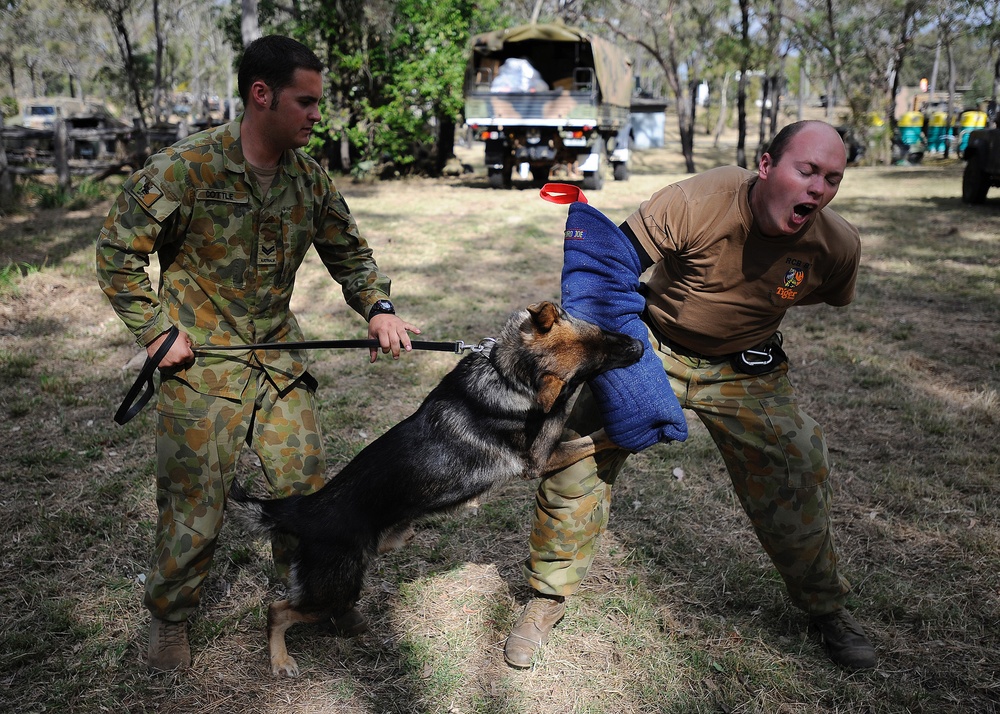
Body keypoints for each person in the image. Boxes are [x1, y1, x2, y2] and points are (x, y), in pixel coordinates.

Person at [96, 35, 420, 672]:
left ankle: (316, 597)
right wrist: (158, 332)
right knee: (195, 504)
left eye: (317, 102)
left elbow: (350, 255)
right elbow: (117, 252)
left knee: (309, 493)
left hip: (278, 365)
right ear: (261, 95)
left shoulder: (309, 179)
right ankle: (169, 619)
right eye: (306, 101)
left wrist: (378, 310)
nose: (316, 114)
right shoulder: (185, 168)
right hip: (199, 370)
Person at [504, 120, 877, 671]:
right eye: (806, 171)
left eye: (831, 178)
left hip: (747, 366)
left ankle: (826, 610)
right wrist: (627, 368)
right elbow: (609, 265)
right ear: (767, 166)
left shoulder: (836, 245)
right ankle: (546, 599)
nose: (818, 189)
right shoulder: (701, 200)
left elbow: (822, 296)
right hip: (654, 344)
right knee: (575, 452)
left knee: (797, 466)